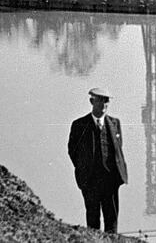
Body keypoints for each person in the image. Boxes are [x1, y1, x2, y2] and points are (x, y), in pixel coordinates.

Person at [67, 87, 128, 233]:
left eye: (106, 101)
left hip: (110, 180)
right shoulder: (79, 125)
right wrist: (83, 168)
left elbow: (118, 149)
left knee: (111, 219)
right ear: (91, 101)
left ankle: (112, 241)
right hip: (90, 180)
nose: (103, 105)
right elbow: (72, 151)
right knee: (93, 219)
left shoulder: (115, 123)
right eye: (99, 101)